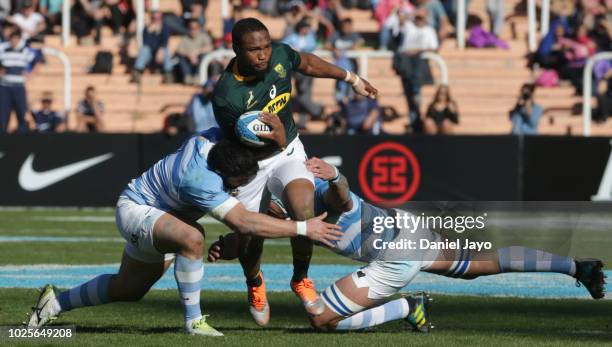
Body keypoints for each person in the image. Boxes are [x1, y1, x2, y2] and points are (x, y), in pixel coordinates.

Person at [209, 157, 607, 333]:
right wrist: (226, 245)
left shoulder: (320, 197)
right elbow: (257, 231)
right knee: (476, 266)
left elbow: (343, 197)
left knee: (320, 317)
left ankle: (407, 307)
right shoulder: (289, 206)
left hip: (394, 254)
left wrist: (337, 175)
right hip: (408, 230)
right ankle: (577, 267)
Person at [26, 133, 342, 336]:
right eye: (236, 183)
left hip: (161, 213)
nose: (238, 188)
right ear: (223, 174)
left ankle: (53, 304)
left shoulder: (213, 142)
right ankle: (193, 321)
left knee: (127, 289)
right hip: (137, 209)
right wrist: (304, 227)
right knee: (193, 237)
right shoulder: (200, 180)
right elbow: (245, 223)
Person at [211, 17, 377, 327]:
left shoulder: (279, 55)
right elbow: (236, 149)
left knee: (303, 209)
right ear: (235, 50)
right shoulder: (227, 96)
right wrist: (273, 138)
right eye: (253, 50)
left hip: (287, 151)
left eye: (266, 47)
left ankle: (300, 278)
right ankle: (255, 281)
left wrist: (351, 78)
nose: (262, 55)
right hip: (250, 164)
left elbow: (309, 64)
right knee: (249, 235)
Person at [392, 8, 438, 132]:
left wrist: (417, 51)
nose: (418, 20)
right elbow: (400, 19)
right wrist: (411, 14)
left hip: (419, 66)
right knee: (409, 94)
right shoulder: (409, 26)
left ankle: (416, 119)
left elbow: (434, 48)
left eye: (421, 18)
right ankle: (414, 119)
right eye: (417, 18)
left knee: (415, 93)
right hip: (406, 66)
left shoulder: (429, 30)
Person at [0, 30, 34, 133]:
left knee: (21, 113)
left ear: (19, 40)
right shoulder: (3, 49)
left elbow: (38, 59)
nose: (14, 41)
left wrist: (30, 72)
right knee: (3, 115)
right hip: (4, 87)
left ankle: (22, 142)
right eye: (12, 38)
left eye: (16, 39)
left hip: (19, 87)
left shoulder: (25, 51)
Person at [132, 10, 173, 84]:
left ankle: (168, 74)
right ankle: (137, 72)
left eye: (158, 18)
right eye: (154, 18)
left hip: (160, 57)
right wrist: (150, 32)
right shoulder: (147, 29)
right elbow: (146, 43)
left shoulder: (165, 28)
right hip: (150, 57)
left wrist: (160, 49)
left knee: (165, 50)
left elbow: (165, 41)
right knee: (144, 49)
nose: (156, 20)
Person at [176, 19, 213, 85]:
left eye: (195, 28)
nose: (193, 30)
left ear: (199, 28)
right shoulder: (185, 38)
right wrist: (189, 55)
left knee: (204, 56)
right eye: (191, 28)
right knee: (181, 57)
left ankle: (198, 76)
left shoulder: (204, 37)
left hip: (199, 61)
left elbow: (209, 48)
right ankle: (187, 77)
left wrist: (197, 52)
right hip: (188, 62)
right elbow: (179, 50)